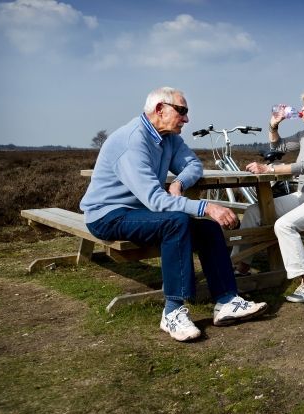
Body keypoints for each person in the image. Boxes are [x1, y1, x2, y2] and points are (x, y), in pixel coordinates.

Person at [80, 87, 268, 342]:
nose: (187, 119)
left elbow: (193, 165)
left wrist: (178, 183)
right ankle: (172, 312)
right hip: (107, 215)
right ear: (160, 109)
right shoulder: (132, 142)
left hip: (140, 212)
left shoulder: (168, 138)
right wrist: (207, 206)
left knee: (208, 228)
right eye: (182, 111)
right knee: (177, 222)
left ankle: (226, 301)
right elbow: (156, 201)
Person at [232, 87, 304, 303]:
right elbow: (279, 146)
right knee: (255, 211)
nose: (302, 109)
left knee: (284, 225)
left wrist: (269, 170)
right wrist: (274, 125)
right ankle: (242, 265)